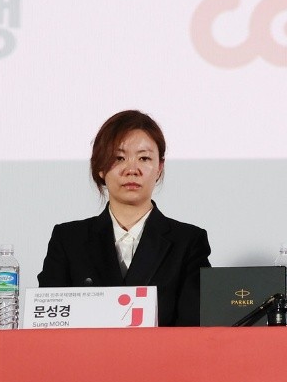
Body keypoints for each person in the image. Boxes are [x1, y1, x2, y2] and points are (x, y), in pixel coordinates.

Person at [38, 110, 210, 327]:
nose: (132, 169)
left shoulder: (189, 241)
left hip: (162, 360)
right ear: (100, 167)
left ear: (159, 168)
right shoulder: (68, 239)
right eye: (119, 158)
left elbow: (192, 329)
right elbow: (46, 325)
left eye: (144, 158)